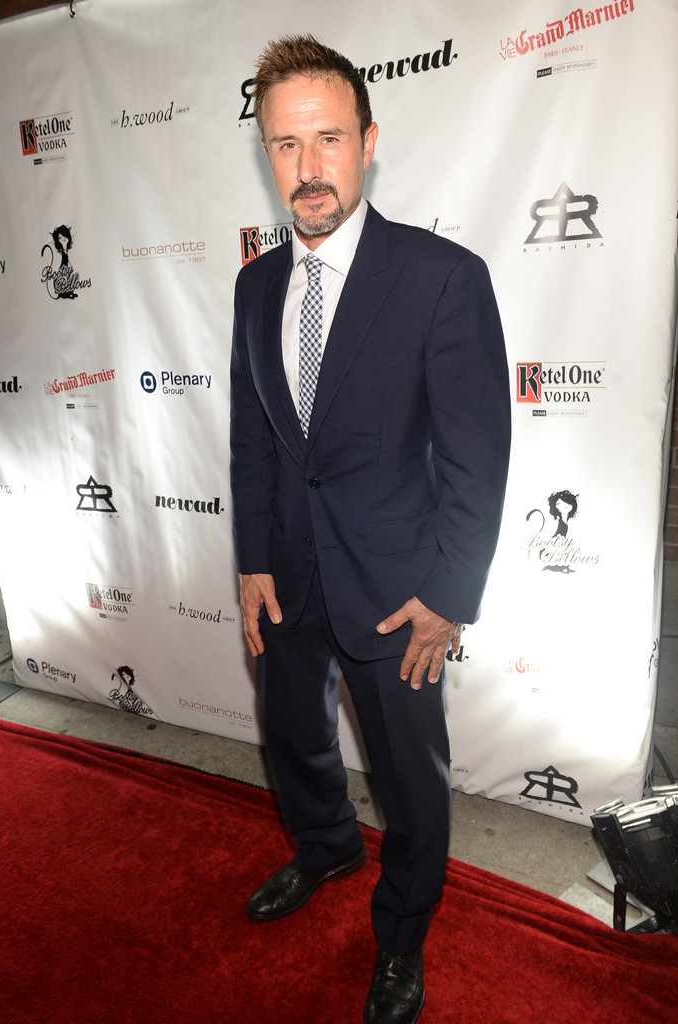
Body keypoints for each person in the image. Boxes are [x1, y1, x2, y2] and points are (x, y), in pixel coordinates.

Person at [229, 34, 510, 1024]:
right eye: (286, 144)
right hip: (288, 573)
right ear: (267, 153)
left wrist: (449, 596)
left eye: (329, 139)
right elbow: (254, 439)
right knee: (291, 734)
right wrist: (253, 560)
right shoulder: (255, 284)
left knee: (407, 778)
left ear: (368, 142)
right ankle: (325, 846)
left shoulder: (442, 277)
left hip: (399, 593)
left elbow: (478, 457)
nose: (309, 167)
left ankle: (401, 932)